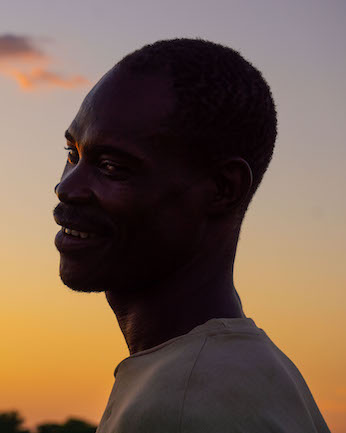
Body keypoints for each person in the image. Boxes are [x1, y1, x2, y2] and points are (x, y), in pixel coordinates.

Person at [53, 38, 330, 432]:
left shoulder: (185, 404)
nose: (67, 188)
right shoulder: (254, 370)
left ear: (222, 189)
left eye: (112, 166)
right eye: (72, 154)